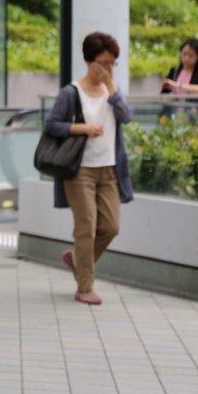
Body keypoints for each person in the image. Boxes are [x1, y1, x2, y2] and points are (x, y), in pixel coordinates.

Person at [44, 32, 134, 306]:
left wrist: (112, 88)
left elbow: (126, 117)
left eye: (112, 63)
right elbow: (51, 125)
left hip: (109, 170)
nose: (107, 69)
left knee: (111, 227)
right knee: (87, 228)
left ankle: (76, 260)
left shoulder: (112, 92)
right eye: (103, 63)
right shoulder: (71, 92)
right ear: (89, 61)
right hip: (79, 170)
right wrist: (81, 128)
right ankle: (85, 287)